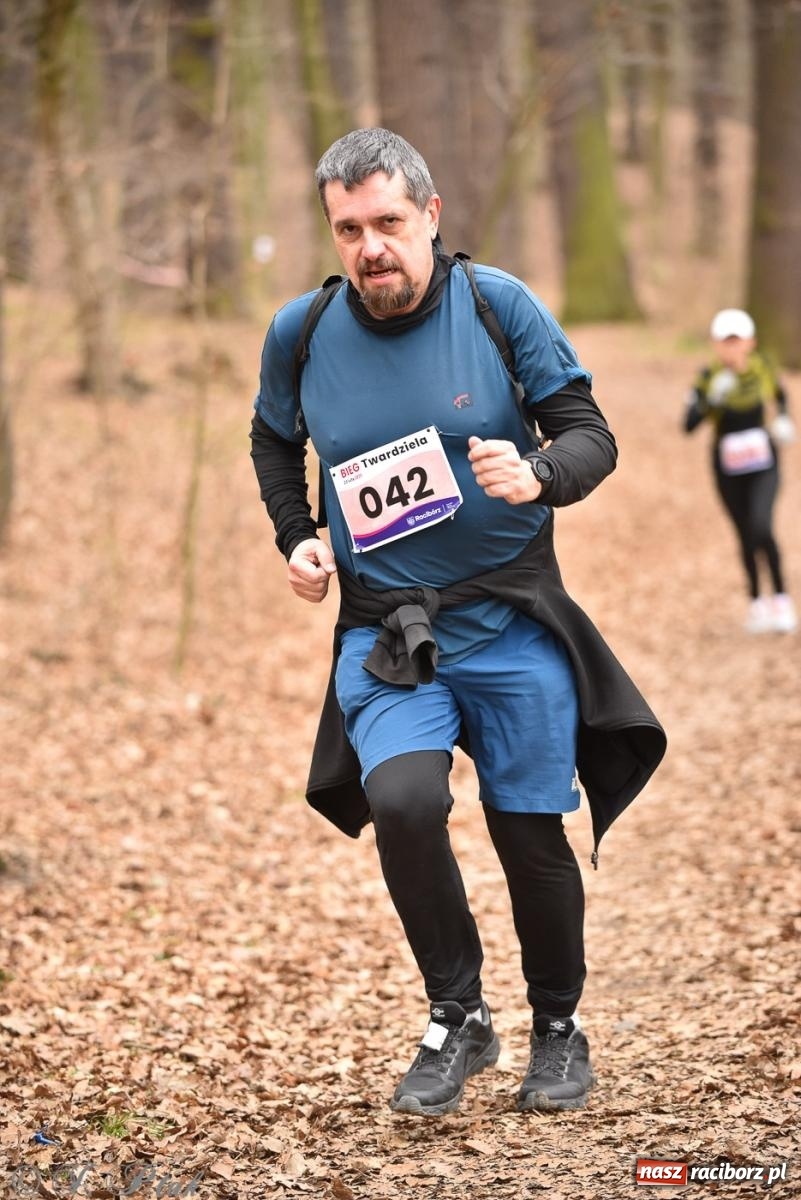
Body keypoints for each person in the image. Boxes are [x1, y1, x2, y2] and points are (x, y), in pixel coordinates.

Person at [250, 128, 665, 1117]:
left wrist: (538, 474)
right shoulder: (301, 331)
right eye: (350, 229)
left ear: (430, 217)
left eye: (388, 222)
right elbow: (272, 438)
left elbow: (589, 436)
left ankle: (558, 1028)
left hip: (511, 622)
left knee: (529, 834)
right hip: (387, 636)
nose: (371, 247)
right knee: (400, 800)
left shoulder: (497, 305)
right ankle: (459, 1015)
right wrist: (297, 535)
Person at [683, 308, 797, 634]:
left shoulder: (764, 372)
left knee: (762, 524)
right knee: (744, 532)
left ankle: (781, 599)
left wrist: (785, 419)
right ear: (716, 345)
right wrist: (710, 400)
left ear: (750, 342)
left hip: (764, 462)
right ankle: (756, 601)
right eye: (725, 341)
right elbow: (688, 424)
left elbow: (781, 396)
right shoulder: (708, 378)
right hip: (727, 466)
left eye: (737, 340)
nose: (731, 348)